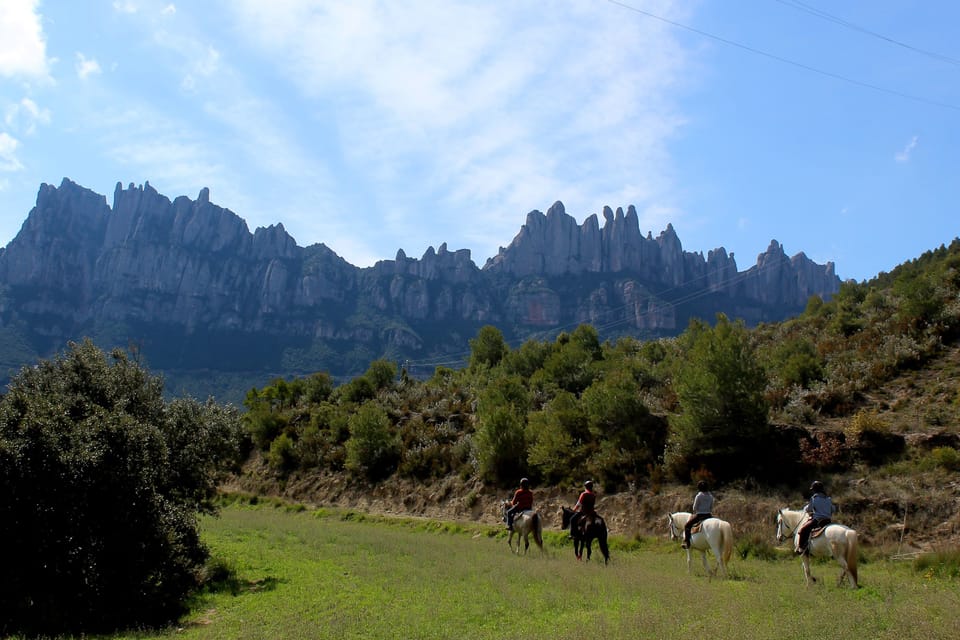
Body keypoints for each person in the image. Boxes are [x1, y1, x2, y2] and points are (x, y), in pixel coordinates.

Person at [796, 480, 835, 554]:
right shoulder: (828, 499)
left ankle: (801, 548)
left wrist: (806, 509)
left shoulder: (814, 498)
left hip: (818, 521)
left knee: (803, 529)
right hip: (828, 520)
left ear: (815, 490)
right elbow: (833, 509)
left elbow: (809, 509)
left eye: (813, 490)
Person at [682, 480, 714, 549]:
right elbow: (711, 507)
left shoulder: (698, 496)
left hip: (700, 515)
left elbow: (694, 507)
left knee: (687, 526)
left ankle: (687, 542)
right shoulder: (711, 496)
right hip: (709, 515)